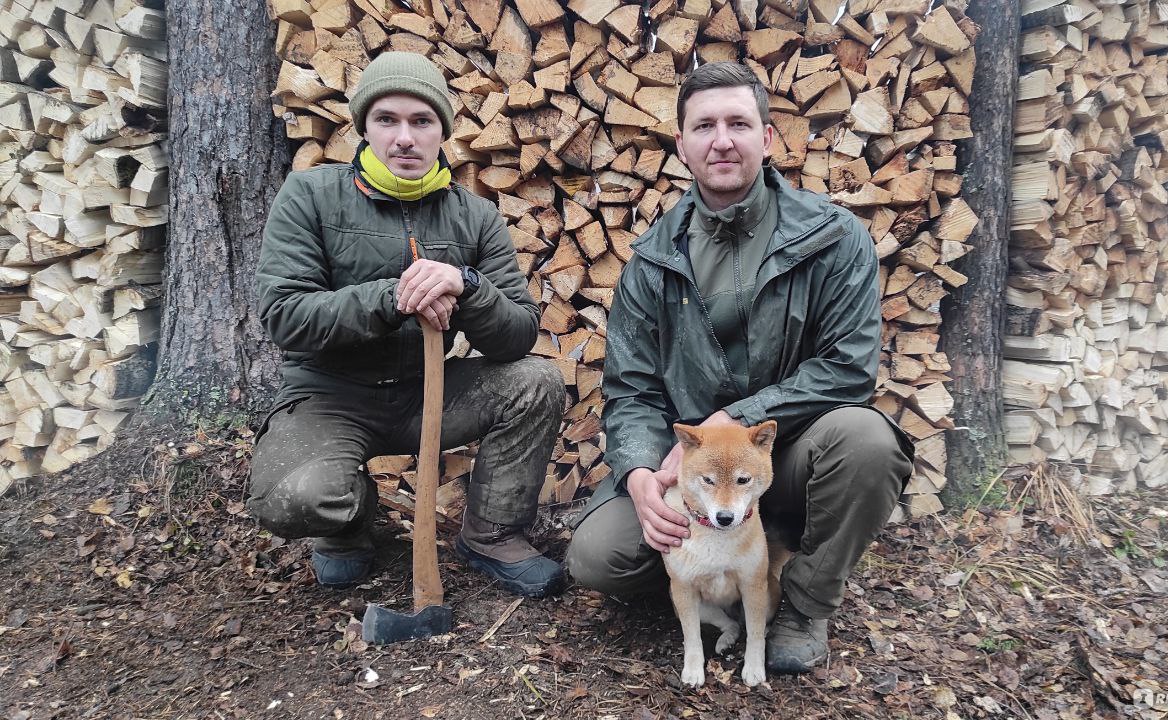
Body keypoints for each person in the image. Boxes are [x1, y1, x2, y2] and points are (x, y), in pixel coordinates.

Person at [565, 62, 915, 672]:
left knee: (868, 441)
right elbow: (630, 389)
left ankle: (803, 607)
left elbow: (849, 368)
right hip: (695, 473)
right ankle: (715, 580)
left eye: (737, 123)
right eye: (704, 126)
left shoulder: (834, 237)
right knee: (599, 554)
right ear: (681, 144)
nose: (721, 139)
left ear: (768, 137)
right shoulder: (651, 259)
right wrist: (641, 475)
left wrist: (739, 416)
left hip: (794, 452)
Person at [249, 52, 566, 598]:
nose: (404, 138)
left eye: (421, 121)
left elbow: (516, 335)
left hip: (427, 394)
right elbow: (284, 315)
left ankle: (491, 533)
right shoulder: (309, 196)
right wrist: (390, 297)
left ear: (442, 129)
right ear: (363, 128)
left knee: (537, 382)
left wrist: (469, 287)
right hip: (330, 399)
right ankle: (350, 524)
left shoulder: (476, 216)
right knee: (296, 497)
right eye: (386, 120)